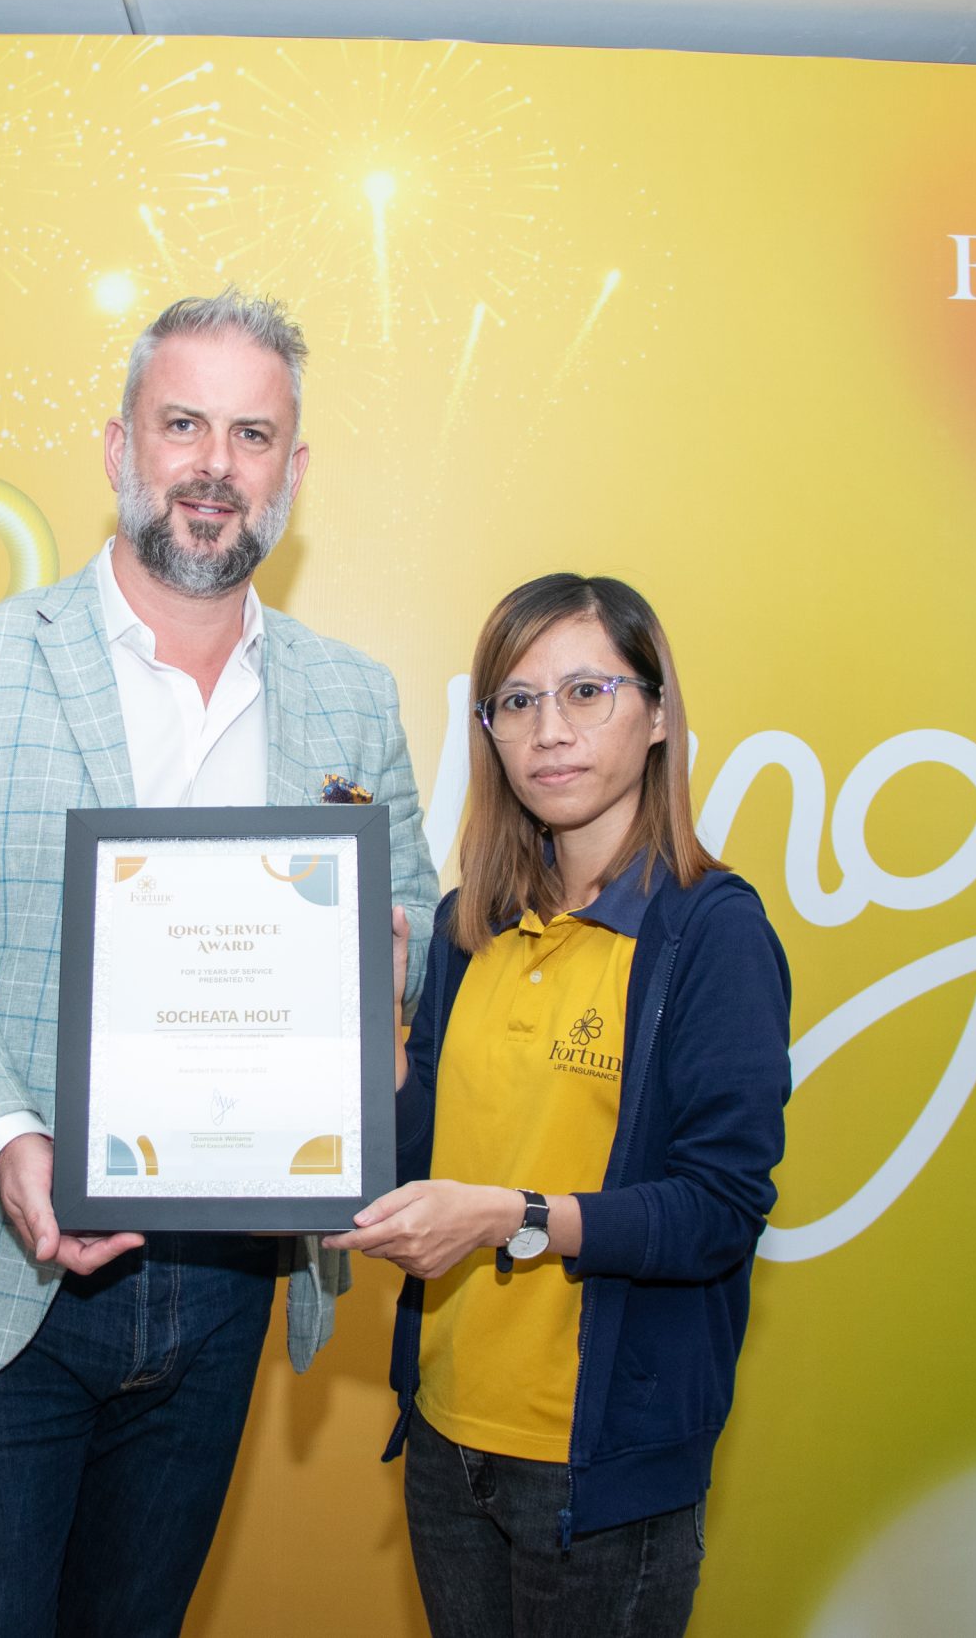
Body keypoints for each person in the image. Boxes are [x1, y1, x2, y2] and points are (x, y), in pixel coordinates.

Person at [0, 287, 439, 1638]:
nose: (215, 465)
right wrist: (10, 1141)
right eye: (182, 424)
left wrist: (377, 968)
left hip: (225, 1290)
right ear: (120, 447)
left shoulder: (352, 696)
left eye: (252, 435)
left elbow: (412, 925)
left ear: (292, 471)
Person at [326, 573, 792, 1637]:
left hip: (599, 1471)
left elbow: (719, 1210)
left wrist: (515, 1217)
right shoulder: (469, 925)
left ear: (658, 713)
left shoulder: (710, 931)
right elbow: (419, 1159)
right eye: (517, 701)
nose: (549, 730)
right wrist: (376, 1032)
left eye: (587, 691)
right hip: (446, 1436)